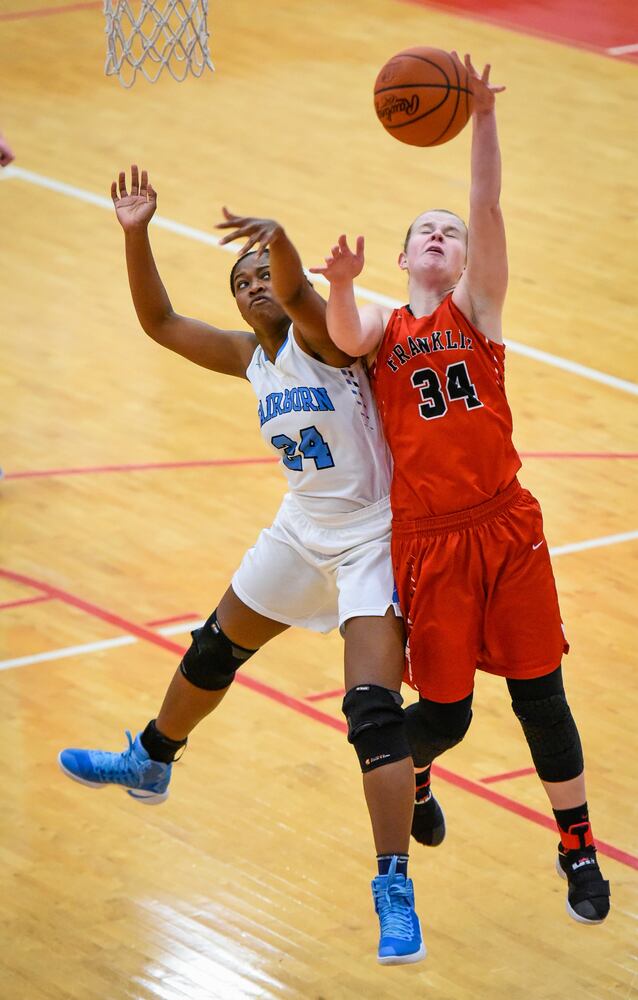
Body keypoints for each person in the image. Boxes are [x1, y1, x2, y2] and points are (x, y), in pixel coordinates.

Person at [58, 167, 427, 964]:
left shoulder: (324, 339)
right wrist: (135, 231)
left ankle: (393, 887)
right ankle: (151, 760)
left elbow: (304, 300)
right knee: (211, 651)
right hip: (301, 531)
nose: (258, 285)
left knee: (371, 714)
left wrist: (283, 242)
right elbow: (159, 321)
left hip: (374, 537)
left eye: (264, 274)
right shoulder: (247, 359)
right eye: (245, 280)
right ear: (234, 301)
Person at [311, 53, 610, 926]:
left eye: (454, 233)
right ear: (402, 256)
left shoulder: (475, 314)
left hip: (505, 526)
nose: (442, 236)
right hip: (428, 538)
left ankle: (577, 846)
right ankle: (420, 770)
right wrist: (335, 282)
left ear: (469, 260)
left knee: (540, 694)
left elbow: (486, 207)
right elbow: (344, 327)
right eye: (426, 232)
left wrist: (480, 115)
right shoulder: (382, 324)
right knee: (445, 712)